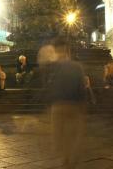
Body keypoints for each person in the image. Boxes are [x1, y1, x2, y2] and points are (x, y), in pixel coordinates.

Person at [45, 38, 86, 169]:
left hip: (57, 105)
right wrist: (82, 103)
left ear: (56, 50)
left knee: (58, 134)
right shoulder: (77, 66)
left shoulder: (52, 66)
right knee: (72, 134)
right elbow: (82, 87)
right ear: (67, 50)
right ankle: (69, 159)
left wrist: (48, 103)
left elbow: (47, 85)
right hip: (73, 105)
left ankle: (64, 158)